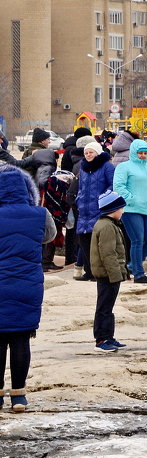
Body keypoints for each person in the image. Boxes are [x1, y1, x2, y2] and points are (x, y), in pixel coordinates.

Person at [0, 164, 56, 411]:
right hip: (28, 284)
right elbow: (49, 237)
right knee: (22, 338)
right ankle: (19, 396)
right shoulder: (39, 214)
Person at [112, 139, 147, 284]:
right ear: (134, 152)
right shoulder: (124, 167)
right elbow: (118, 186)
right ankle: (139, 274)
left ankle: (133, 264)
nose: (143, 156)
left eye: (145, 153)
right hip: (131, 209)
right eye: (140, 153)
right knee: (137, 240)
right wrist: (130, 199)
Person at [90, 191, 130, 352]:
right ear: (112, 209)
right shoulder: (106, 226)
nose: (122, 211)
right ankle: (101, 340)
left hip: (110, 274)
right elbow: (108, 253)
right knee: (104, 307)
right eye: (121, 208)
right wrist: (116, 275)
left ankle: (108, 336)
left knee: (108, 307)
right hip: (107, 275)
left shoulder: (110, 224)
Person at [73, 141, 115, 281]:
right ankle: (89, 272)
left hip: (99, 209)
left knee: (97, 244)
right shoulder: (83, 167)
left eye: (91, 152)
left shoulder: (107, 166)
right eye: (86, 153)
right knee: (84, 242)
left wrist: (103, 199)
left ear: (98, 153)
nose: (88, 155)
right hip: (84, 209)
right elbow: (80, 187)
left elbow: (112, 185)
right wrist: (79, 200)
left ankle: (98, 273)